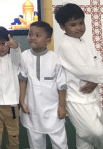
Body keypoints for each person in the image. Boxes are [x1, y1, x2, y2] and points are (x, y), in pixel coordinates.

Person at [54, 3, 103, 149]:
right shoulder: (65, 46)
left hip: (93, 95)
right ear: (62, 27)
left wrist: (96, 82)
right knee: (96, 133)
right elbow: (83, 70)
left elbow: (98, 61)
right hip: (76, 98)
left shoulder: (86, 41)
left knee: (84, 139)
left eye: (81, 23)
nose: (79, 27)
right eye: (73, 25)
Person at [19, 21, 67, 149]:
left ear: (48, 41)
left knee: (60, 143)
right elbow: (22, 80)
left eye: (37, 35)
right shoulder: (24, 56)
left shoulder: (55, 58)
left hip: (53, 110)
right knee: (35, 143)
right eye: (30, 34)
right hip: (32, 108)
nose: (32, 37)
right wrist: (22, 101)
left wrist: (62, 106)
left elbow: (62, 85)